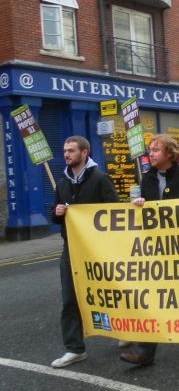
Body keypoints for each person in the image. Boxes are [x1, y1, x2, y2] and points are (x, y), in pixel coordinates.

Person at [119, 135, 179, 366]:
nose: (151, 153)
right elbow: (135, 203)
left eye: (156, 150)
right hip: (155, 246)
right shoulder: (145, 177)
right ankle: (146, 351)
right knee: (153, 295)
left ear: (169, 153)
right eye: (150, 149)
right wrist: (136, 204)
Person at [50, 136, 119, 368]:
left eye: (71, 150)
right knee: (70, 299)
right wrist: (57, 212)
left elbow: (114, 211)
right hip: (71, 248)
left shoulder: (100, 179)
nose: (67, 154)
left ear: (85, 153)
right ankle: (74, 349)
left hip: (99, 250)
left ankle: (127, 330)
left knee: (111, 294)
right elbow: (54, 215)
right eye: (65, 150)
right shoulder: (62, 182)